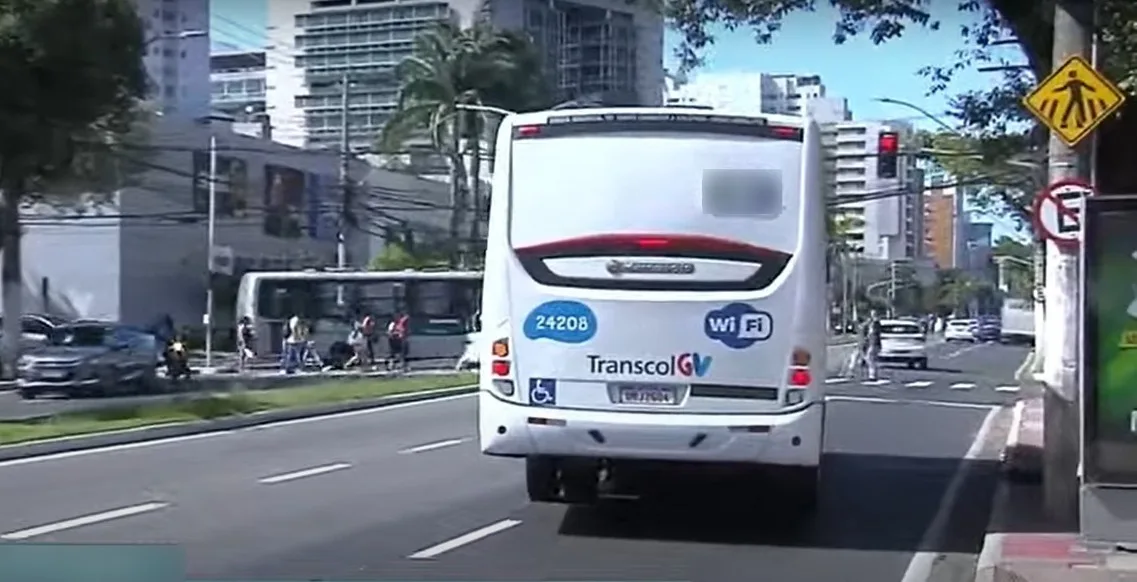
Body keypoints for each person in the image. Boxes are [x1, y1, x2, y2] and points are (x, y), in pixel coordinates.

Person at [860, 310, 883, 381]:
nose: (872, 316)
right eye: (871, 314)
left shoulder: (876, 323)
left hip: (874, 343)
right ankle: (873, 374)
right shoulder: (871, 323)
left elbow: (874, 330)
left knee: (870, 358)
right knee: (871, 359)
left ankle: (872, 375)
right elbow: (863, 327)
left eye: (874, 314)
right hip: (871, 343)